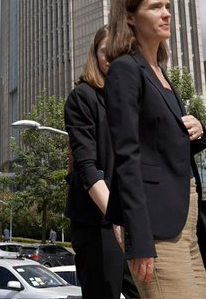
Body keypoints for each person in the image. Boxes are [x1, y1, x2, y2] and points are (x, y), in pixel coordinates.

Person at [104, 0, 206, 299]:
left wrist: (199, 132)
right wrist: (139, 238)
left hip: (186, 222)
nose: (166, 14)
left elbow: (168, 145)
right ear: (131, 18)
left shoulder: (160, 74)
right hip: (155, 227)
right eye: (155, 7)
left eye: (167, 6)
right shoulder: (125, 70)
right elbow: (127, 158)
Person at [65, 26, 135, 299]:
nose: (112, 58)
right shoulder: (83, 97)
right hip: (98, 225)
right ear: (95, 55)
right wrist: (115, 216)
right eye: (106, 52)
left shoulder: (133, 101)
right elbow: (86, 166)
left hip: (135, 219)